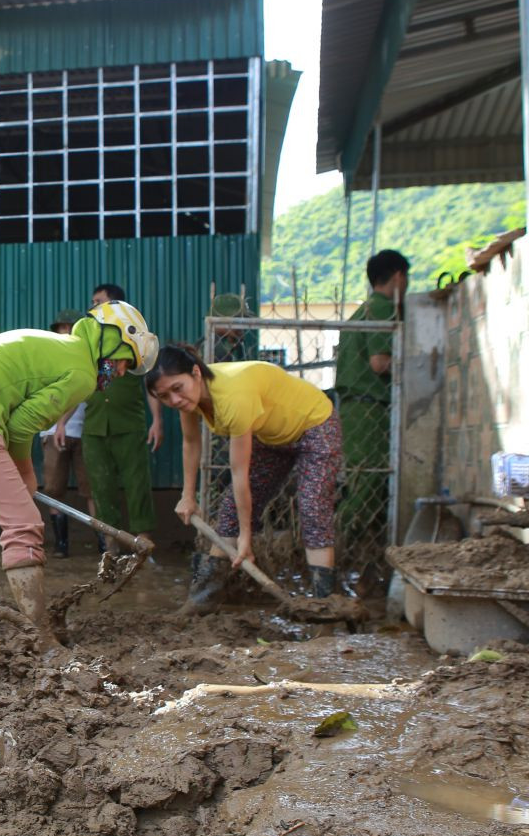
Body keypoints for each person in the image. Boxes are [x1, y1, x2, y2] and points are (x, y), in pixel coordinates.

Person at [0, 301, 158, 652]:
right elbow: (21, 424)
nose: (120, 373)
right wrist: (25, 472)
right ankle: (41, 638)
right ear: (111, 342)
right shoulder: (82, 372)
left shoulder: (53, 344)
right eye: (123, 361)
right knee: (23, 526)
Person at [147, 345, 342, 608]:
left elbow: (239, 473)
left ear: (195, 372)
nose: (174, 400)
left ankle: (324, 609)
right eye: (164, 396)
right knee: (229, 512)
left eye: (177, 388)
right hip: (270, 431)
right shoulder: (190, 399)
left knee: (312, 509)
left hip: (314, 423)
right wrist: (187, 496)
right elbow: (191, 444)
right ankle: (201, 600)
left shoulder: (233, 398)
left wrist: (246, 536)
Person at [334, 250, 408, 590]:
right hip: (369, 409)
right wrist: (412, 369)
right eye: (404, 278)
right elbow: (380, 363)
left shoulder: (359, 311)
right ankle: (331, 551)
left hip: (354, 409)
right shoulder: (381, 308)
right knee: (369, 485)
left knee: (364, 482)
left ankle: (356, 564)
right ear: (396, 276)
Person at [81, 284, 164, 554]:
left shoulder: (135, 339)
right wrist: (60, 422)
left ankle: (144, 542)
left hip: (128, 425)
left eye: (98, 302)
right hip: (94, 426)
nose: (93, 306)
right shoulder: (92, 344)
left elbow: (150, 384)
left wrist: (157, 421)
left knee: (136, 483)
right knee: (101, 485)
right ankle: (111, 545)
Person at [39, 310, 92, 558]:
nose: (65, 332)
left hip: (84, 431)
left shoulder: (89, 357)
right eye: (61, 327)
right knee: (53, 489)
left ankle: (104, 545)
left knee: (91, 489)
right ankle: (61, 545)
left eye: (70, 327)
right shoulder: (47, 359)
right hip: (51, 431)